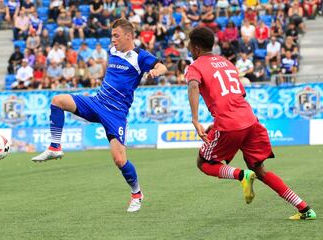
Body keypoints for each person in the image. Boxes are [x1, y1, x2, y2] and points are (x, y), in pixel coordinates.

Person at [31, 18, 167, 212]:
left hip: (116, 114)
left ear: (128, 36)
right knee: (57, 101)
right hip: (97, 102)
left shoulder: (140, 56)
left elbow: (162, 66)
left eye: (116, 35)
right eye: (112, 35)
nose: (112, 40)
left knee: (120, 160)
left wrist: (156, 71)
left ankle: (137, 193)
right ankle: (55, 147)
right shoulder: (112, 51)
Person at [185, 26, 316, 220]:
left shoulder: (195, 66)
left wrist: (195, 119)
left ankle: (240, 175)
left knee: (203, 162)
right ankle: (305, 209)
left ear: (195, 47)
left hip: (229, 124)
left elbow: (193, 85)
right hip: (249, 120)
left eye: (189, 44)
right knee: (260, 170)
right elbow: (237, 95)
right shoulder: (227, 63)